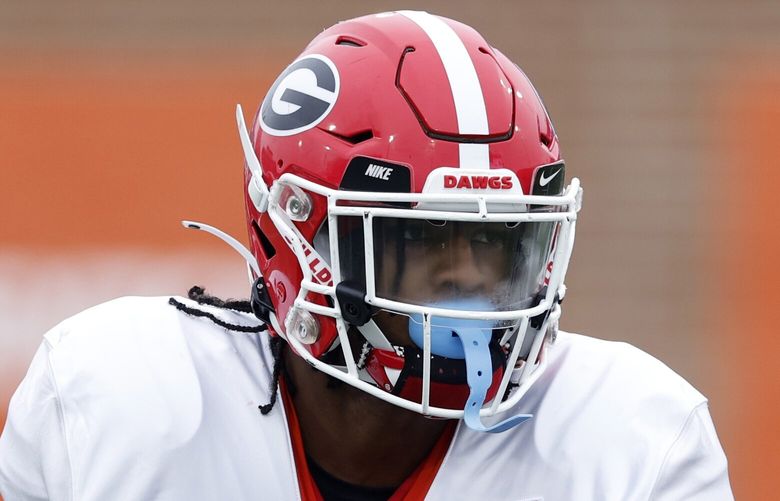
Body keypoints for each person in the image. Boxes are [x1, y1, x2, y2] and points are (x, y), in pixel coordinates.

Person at [0, 10, 732, 501]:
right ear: (296, 237)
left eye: (495, 239)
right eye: (424, 238)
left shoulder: (633, 445)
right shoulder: (117, 406)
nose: (471, 276)